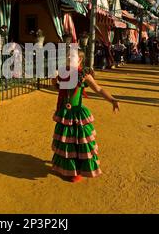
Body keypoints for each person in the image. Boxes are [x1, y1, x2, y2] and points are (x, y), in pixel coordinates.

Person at [51, 50, 120, 183]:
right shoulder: (62, 72)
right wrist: (54, 81)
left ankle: (79, 170)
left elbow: (98, 89)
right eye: (67, 56)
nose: (69, 58)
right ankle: (68, 167)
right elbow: (59, 88)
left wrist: (112, 100)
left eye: (72, 56)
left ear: (80, 61)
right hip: (65, 113)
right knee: (66, 142)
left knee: (80, 142)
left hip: (77, 114)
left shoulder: (84, 74)